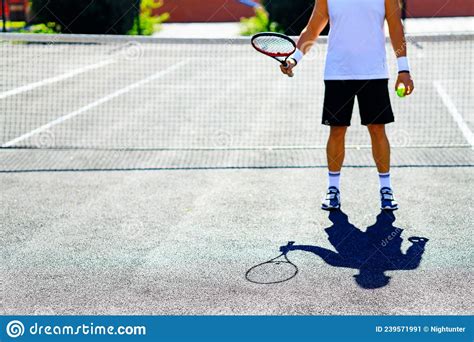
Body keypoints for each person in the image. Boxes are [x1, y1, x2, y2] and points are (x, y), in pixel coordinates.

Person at [281, 0, 414, 211]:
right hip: (338, 73)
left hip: (374, 73)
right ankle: (333, 189)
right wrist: (294, 59)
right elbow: (313, 28)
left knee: (378, 129)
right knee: (337, 131)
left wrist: (404, 70)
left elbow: (396, 25)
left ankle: (386, 189)